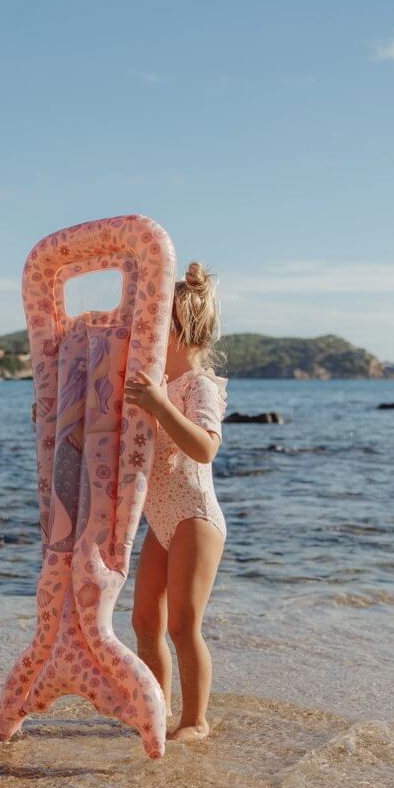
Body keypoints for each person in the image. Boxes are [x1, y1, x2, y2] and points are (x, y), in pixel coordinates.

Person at [124, 262, 227, 741]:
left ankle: (195, 721)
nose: (145, 332)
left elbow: (205, 448)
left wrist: (161, 404)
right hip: (161, 520)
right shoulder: (157, 384)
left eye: (154, 323)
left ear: (179, 328)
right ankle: (158, 712)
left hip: (194, 516)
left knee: (184, 625)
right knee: (145, 621)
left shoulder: (199, 385)